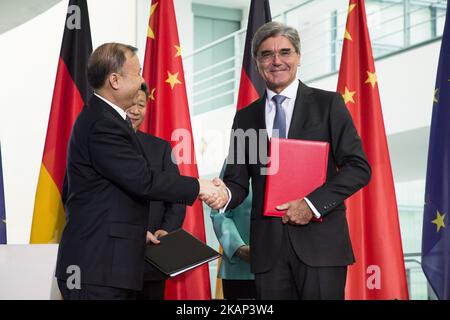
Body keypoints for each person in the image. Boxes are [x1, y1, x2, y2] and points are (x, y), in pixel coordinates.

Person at [205, 22, 371, 300]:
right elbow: (237, 182)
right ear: (257, 62)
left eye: (285, 52)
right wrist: (222, 194)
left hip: (321, 245)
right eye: (267, 54)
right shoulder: (247, 117)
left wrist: (311, 205)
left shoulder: (328, 105)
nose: (276, 61)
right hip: (268, 251)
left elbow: (358, 168)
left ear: (298, 57)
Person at [55, 43, 227, 300]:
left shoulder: (107, 118)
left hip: (108, 264)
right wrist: (200, 186)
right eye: (137, 73)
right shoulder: (103, 123)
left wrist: (135, 231)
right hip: (97, 268)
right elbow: (143, 180)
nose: (143, 80)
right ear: (114, 80)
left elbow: (110, 194)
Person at [125, 83, 185, 300]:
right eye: (130, 103)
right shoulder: (100, 142)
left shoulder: (161, 148)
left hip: (150, 261)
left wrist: (166, 230)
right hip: (109, 262)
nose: (135, 109)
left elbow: (177, 197)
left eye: (141, 104)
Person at [210, 165, 255, 300]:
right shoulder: (237, 158)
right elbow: (219, 212)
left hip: (285, 269)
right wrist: (238, 248)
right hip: (240, 268)